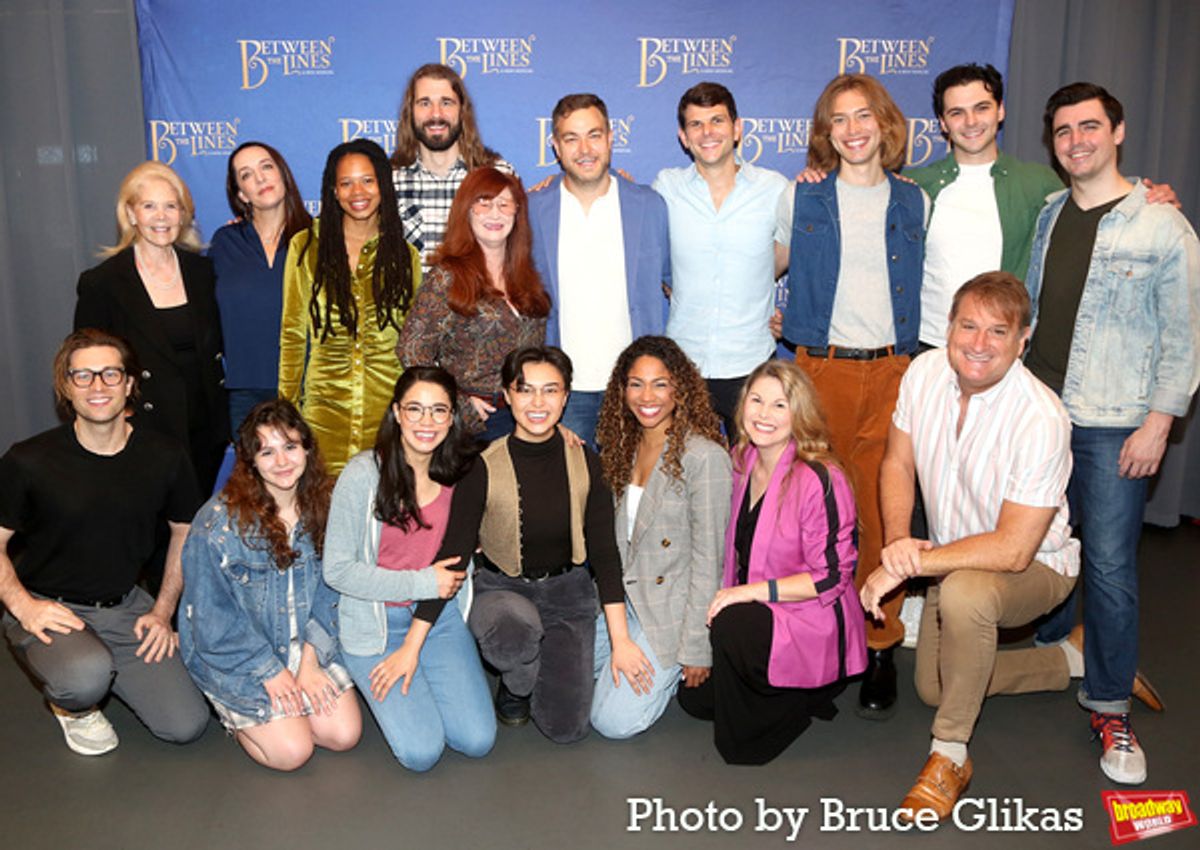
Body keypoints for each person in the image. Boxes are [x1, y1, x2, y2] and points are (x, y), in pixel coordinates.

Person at [1024, 83, 1199, 785]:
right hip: (1042, 414)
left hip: (1112, 423)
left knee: (1110, 568)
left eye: (1089, 126)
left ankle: (1108, 705)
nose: (1077, 141)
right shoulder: (1048, 214)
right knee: (1040, 541)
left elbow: (1184, 341)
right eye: (1064, 130)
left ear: (1117, 131)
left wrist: (1159, 423)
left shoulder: (1162, 226)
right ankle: (1045, 649)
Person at [859, 272, 1082, 820]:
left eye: (998, 332)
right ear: (949, 326)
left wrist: (914, 566)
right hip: (952, 557)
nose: (979, 344)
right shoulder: (925, 372)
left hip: (1037, 565)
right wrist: (897, 548)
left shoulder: (1041, 416)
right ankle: (1072, 661)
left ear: (1022, 340)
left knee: (965, 598)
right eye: (968, 326)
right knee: (935, 686)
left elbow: (1012, 551)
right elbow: (897, 462)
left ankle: (950, 753)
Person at [773, 73, 927, 718]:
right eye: (839, 119)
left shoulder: (917, 201)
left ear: (885, 125)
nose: (854, 129)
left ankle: (879, 644)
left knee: (881, 515)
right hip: (821, 370)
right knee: (815, 515)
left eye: (864, 116)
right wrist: (775, 319)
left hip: (895, 371)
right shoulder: (800, 198)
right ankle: (819, 644)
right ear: (826, 133)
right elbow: (767, 270)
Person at [0, 329, 209, 756]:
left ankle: (96, 663)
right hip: (50, 605)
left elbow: (185, 532)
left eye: (110, 374)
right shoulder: (28, 460)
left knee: (186, 724)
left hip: (123, 605)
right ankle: (72, 706)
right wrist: (24, 607)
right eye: (83, 376)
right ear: (65, 387)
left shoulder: (165, 456)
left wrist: (162, 610)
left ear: (130, 384)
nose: (98, 386)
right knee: (84, 678)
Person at [445, 346, 651, 743]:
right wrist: (419, 637)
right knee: (512, 635)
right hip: (502, 590)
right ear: (507, 396)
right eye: (525, 390)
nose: (537, 403)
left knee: (567, 729)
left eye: (550, 390)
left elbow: (605, 554)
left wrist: (621, 640)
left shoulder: (587, 462)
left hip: (568, 592)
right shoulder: (482, 464)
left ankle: (536, 666)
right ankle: (517, 681)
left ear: (566, 396)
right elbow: (453, 554)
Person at [905, 64, 1176, 350]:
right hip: (928, 345)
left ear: (1000, 111)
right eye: (957, 113)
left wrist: (1146, 199)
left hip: (1006, 352)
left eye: (982, 108)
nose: (971, 121)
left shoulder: (1039, 183)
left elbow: (1095, 212)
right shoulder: (914, 185)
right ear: (943, 123)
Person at [679, 359, 866, 764]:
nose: (764, 414)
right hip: (756, 608)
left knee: (738, 743)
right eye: (756, 400)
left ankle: (808, 695)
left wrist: (744, 593)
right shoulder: (742, 459)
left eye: (780, 405)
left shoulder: (820, 477)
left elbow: (833, 576)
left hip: (808, 613)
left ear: (799, 413)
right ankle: (790, 689)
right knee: (692, 701)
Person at [323, 368, 495, 771]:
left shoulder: (467, 471)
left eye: (439, 411)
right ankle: (356, 667)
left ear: (453, 417)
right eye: (415, 409)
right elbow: (338, 571)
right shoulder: (364, 473)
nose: (427, 422)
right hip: (374, 621)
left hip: (437, 618)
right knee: (422, 753)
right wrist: (421, 581)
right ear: (397, 413)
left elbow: (453, 566)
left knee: (477, 739)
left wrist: (412, 649)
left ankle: (424, 677)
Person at [180, 400, 361, 770]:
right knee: (293, 753)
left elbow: (335, 591)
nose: (282, 462)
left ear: (307, 449)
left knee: (343, 736)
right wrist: (271, 672)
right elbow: (212, 624)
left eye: (290, 447)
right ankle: (236, 716)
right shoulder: (217, 524)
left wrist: (309, 663)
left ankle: (288, 712)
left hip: (305, 643)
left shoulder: (328, 504)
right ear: (250, 461)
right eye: (267, 451)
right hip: (241, 654)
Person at [590, 336, 731, 738]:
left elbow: (709, 562)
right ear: (622, 390)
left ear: (680, 389)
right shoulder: (621, 447)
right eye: (636, 384)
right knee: (570, 692)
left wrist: (695, 649)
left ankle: (662, 674)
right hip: (624, 603)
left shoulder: (704, 457)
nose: (646, 396)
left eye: (660, 383)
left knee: (610, 723)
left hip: (670, 611)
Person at [75, 161, 228, 495]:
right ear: (131, 214)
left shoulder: (203, 273)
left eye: (171, 206)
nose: (162, 217)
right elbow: (85, 364)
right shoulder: (103, 283)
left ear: (183, 214)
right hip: (143, 430)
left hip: (205, 429)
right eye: (149, 206)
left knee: (194, 525)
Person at [528, 93, 671, 446]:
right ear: (555, 147)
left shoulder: (649, 205)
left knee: (633, 497)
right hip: (564, 391)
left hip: (634, 389)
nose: (585, 149)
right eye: (571, 138)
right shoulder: (531, 209)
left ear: (610, 138)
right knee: (571, 499)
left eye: (594, 135)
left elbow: (676, 284)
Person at [653, 82, 789, 434]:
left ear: (737, 128)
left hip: (751, 358)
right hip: (685, 361)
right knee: (685, 474)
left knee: (753, 474)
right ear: (684, 136)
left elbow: (787, 251)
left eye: (717, 121)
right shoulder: (666, 188)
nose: (708, 132)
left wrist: (753, 280)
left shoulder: (774, 189)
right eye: (696, 124)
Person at [280, 138, 421, 474]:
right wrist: (284, 414)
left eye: (367, 180)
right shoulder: (305, 247)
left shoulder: (405, 257)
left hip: (386, 417)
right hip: (323, 415)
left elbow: (413, 343)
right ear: (333, 190)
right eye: (346, 182)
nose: (358, 191)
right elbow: (293, 335)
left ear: (383, 186)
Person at [398, 167, 549, 441]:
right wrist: (457, 402)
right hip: (471, 424)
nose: (495, 213)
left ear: (517, 213)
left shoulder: (526, 275)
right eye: (484, 203)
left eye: (505, 204)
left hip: (523, 417)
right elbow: (411, 349)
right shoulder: (447, 276)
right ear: (466, 210)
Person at [211, 142, 312, 430]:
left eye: (266, 166)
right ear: (242, 193)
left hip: (308, 388)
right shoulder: (225, 242)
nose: (260, 178)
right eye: (246, 174)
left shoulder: (317, 239)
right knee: (252, 475)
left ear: (283, 174)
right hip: (245, 392)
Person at [391, 63, 515, 270]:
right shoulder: (389, 181)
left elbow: (517, 254)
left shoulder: (497, 174)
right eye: (424, 103)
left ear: (462, 110)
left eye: (446, 103)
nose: (436, 114)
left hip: (479, 301)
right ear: (410, 112)